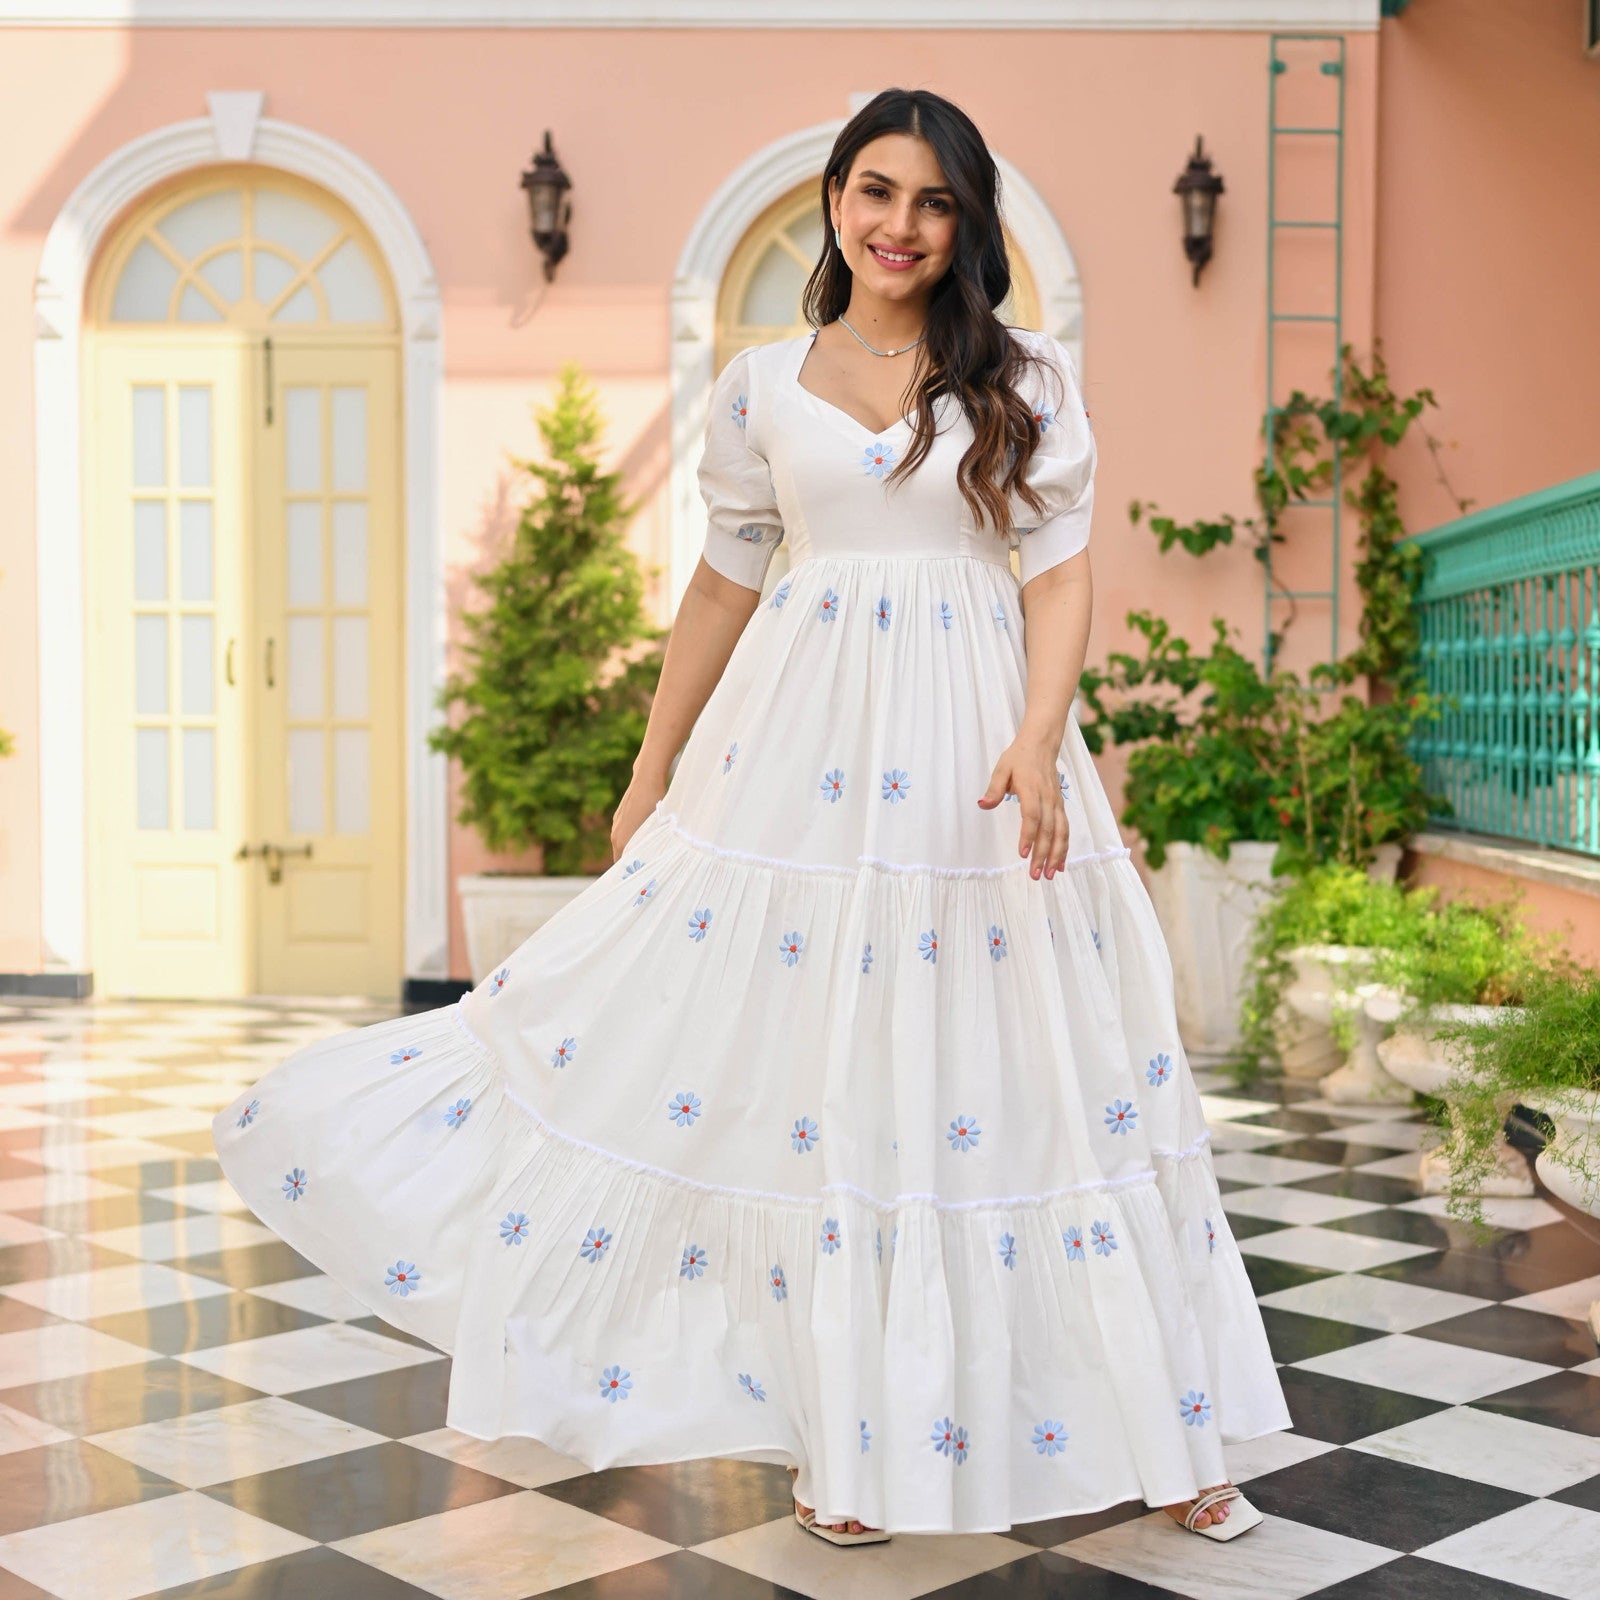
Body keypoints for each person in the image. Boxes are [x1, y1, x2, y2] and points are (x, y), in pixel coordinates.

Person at [212, 87, 1291, 1548]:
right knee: (824, 1083)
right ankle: (843, 1438)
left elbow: (1057, 574)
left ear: (966, 222)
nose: (901, 225)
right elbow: (721, 588)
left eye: (933, 201)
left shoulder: (1022, 371)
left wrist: (1040, 741)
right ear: (835, 200)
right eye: (876, 191)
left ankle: (1173, 1439)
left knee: (1045, 1069)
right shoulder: (757, 386)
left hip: (981, 762)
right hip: (803, 765)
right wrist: (653, 768)